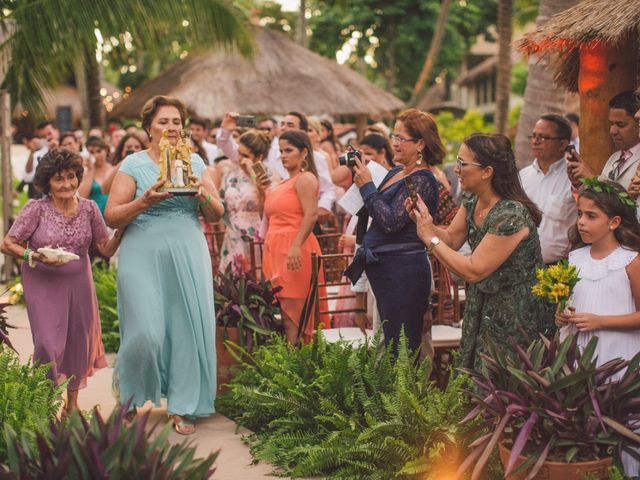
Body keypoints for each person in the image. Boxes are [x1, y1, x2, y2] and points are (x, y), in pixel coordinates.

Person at [105, 95, 224, 435]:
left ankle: (183, 405)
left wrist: (202, 194)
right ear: (148, 129)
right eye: (163, 122)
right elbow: (111, 214)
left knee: (186, 328)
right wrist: (145, 200)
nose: (171, 128)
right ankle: (130, 396)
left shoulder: (197, 163)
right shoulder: (133, 165)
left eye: (176, 122)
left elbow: (217, 214)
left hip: (187, 248)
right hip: (141, 251)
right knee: (144, 332)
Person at [409, 133, 555, 370]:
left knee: (501, 383)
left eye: (463, 163)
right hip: (483, 305)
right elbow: (452, 239)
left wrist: (429, 237)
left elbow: (474, 270)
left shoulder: (511, 215)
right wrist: (424, 222)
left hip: (514, 313)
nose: (456, 169)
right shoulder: (473, 199)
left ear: (487, 171)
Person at [1, 148, 122, 414]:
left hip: (80, 281)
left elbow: (104, 247)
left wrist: (123, 230)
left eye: (71, 176)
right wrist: (34, 255)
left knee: (77, 341)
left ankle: (72, 405)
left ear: (79, 177)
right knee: (47, 343)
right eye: (59, 179)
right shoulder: (37, 209)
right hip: (42, 280)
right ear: (48, 183)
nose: (67, 184)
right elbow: (8, 243)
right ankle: (42, 404)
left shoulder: (90, 209)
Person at [556, 179, 640, 477]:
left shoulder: (630, 261)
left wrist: (600, 321)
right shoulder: (575, 258)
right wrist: (562, 316)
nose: (581, 222)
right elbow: (566, 303)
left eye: (591, 216)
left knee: (624, 426)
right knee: (589, 423)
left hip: (619, 358)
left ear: (614, 222)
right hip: (582, 357)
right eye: (580, 214)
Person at [345, 108, 440, 353]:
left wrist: (367, 186)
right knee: (388, 344)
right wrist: (361, 178)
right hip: (385, 270)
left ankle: (403, 392)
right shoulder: (397, 172)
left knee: (402, 348)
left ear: (420, 144)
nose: (394, 144)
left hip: (403, 273)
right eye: (394, 137)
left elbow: (390, 221)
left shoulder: (423, 179)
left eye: (400, 138)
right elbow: (374, 209)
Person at [258, 130, 325, 344]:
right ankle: (290, 365)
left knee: (293, 315)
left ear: (304, 152)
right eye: (281, 151)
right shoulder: (282, 183)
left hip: (295, 250)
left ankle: (297, 366)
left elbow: (311, 215)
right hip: (276, 249)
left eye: (289, 150)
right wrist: (262, 192)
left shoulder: (305, 179)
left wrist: (296, 246)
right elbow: (268, 216)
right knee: (283, 313)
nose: (283, 156)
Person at [213, 124, 277, 273]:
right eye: (239, 154)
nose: (241, 159)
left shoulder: (269, 174)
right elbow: (222, 207)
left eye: (246, 156)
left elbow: (270, 201)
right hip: (233, 237)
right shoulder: (231, 175)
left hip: (257, 238)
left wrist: (252, 172)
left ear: (259, 157)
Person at [520, 114, 577, 264]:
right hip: (522, 268)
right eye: (533, 136)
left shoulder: (574, 178)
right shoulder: (522, 176)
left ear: (562, 144)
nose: (535, 141)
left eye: (543, 137)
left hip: (560, 270)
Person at [568, 91, 640, 197]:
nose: (613, 131)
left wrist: (593, 178)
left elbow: (627, 204)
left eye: (621, 125)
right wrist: (579, 183)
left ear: (637, 123)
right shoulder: (614, 158)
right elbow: (600, 203)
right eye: (611, 124)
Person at [79, 136, 114, 217]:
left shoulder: (114, 169)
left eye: (99, 151)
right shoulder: (85, 173)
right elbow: (82, 196)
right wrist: (91, 169)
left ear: (106, 150)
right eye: (92, 152)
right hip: (94, 217)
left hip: (112, 215)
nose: (96, 155)